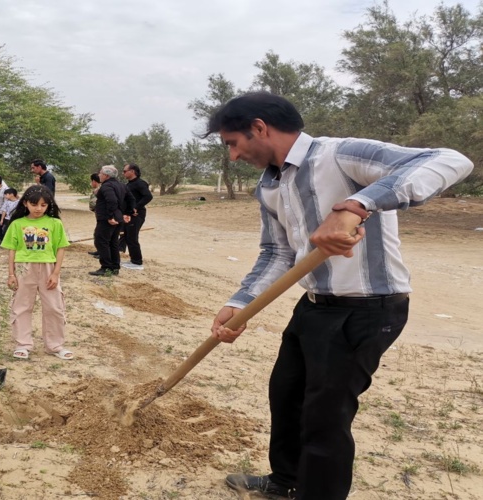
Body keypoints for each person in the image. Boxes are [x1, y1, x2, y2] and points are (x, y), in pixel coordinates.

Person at [206, 92, 473, 500]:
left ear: (259, 128)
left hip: (368, 309)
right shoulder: (270, 185)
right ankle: (285, 482)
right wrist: (239, 304)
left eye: (232, 143)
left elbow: (450, 160)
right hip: (314, 306)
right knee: (287, 395)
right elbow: (278, 253)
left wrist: (356, 204)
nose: (234, 156)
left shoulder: (340, 154)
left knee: (325, 419)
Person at [1, 185, 72, 360]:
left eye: (43, 205)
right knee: (22, 306)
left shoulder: (55, 223)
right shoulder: (17, 224)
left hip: (48, 268)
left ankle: (55, 346)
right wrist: (11, 274)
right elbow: (11, 251)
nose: (38, 208)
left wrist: (55, 273)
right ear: (25, 203)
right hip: (24, 268)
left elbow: (61, 249)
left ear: (48, 206)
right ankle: (23, 344)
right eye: (34, 204)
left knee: (54, 307)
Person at [89, 165, 133, 276]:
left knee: (101, 241)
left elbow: (112, 201)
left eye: (100, 173)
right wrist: (127, 213)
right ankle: (115, 267)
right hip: (118, 218)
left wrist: (110, 216)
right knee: (113, 242)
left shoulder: (106, 186)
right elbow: (131, 199)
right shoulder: (122, 185)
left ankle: (106, 267)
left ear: (106, 175)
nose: (99, 175)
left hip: (107, 219)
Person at [120, 163, 153, 270]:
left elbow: (148, 196)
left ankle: (137, 262)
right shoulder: (129, 184)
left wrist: (136, 207)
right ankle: (133, 259)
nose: (123, 173)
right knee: (127, 237)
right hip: (129, 215)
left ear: (132, 171)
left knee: (132, 238)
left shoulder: (140, 183)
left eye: (125, 171)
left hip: (137, 215)